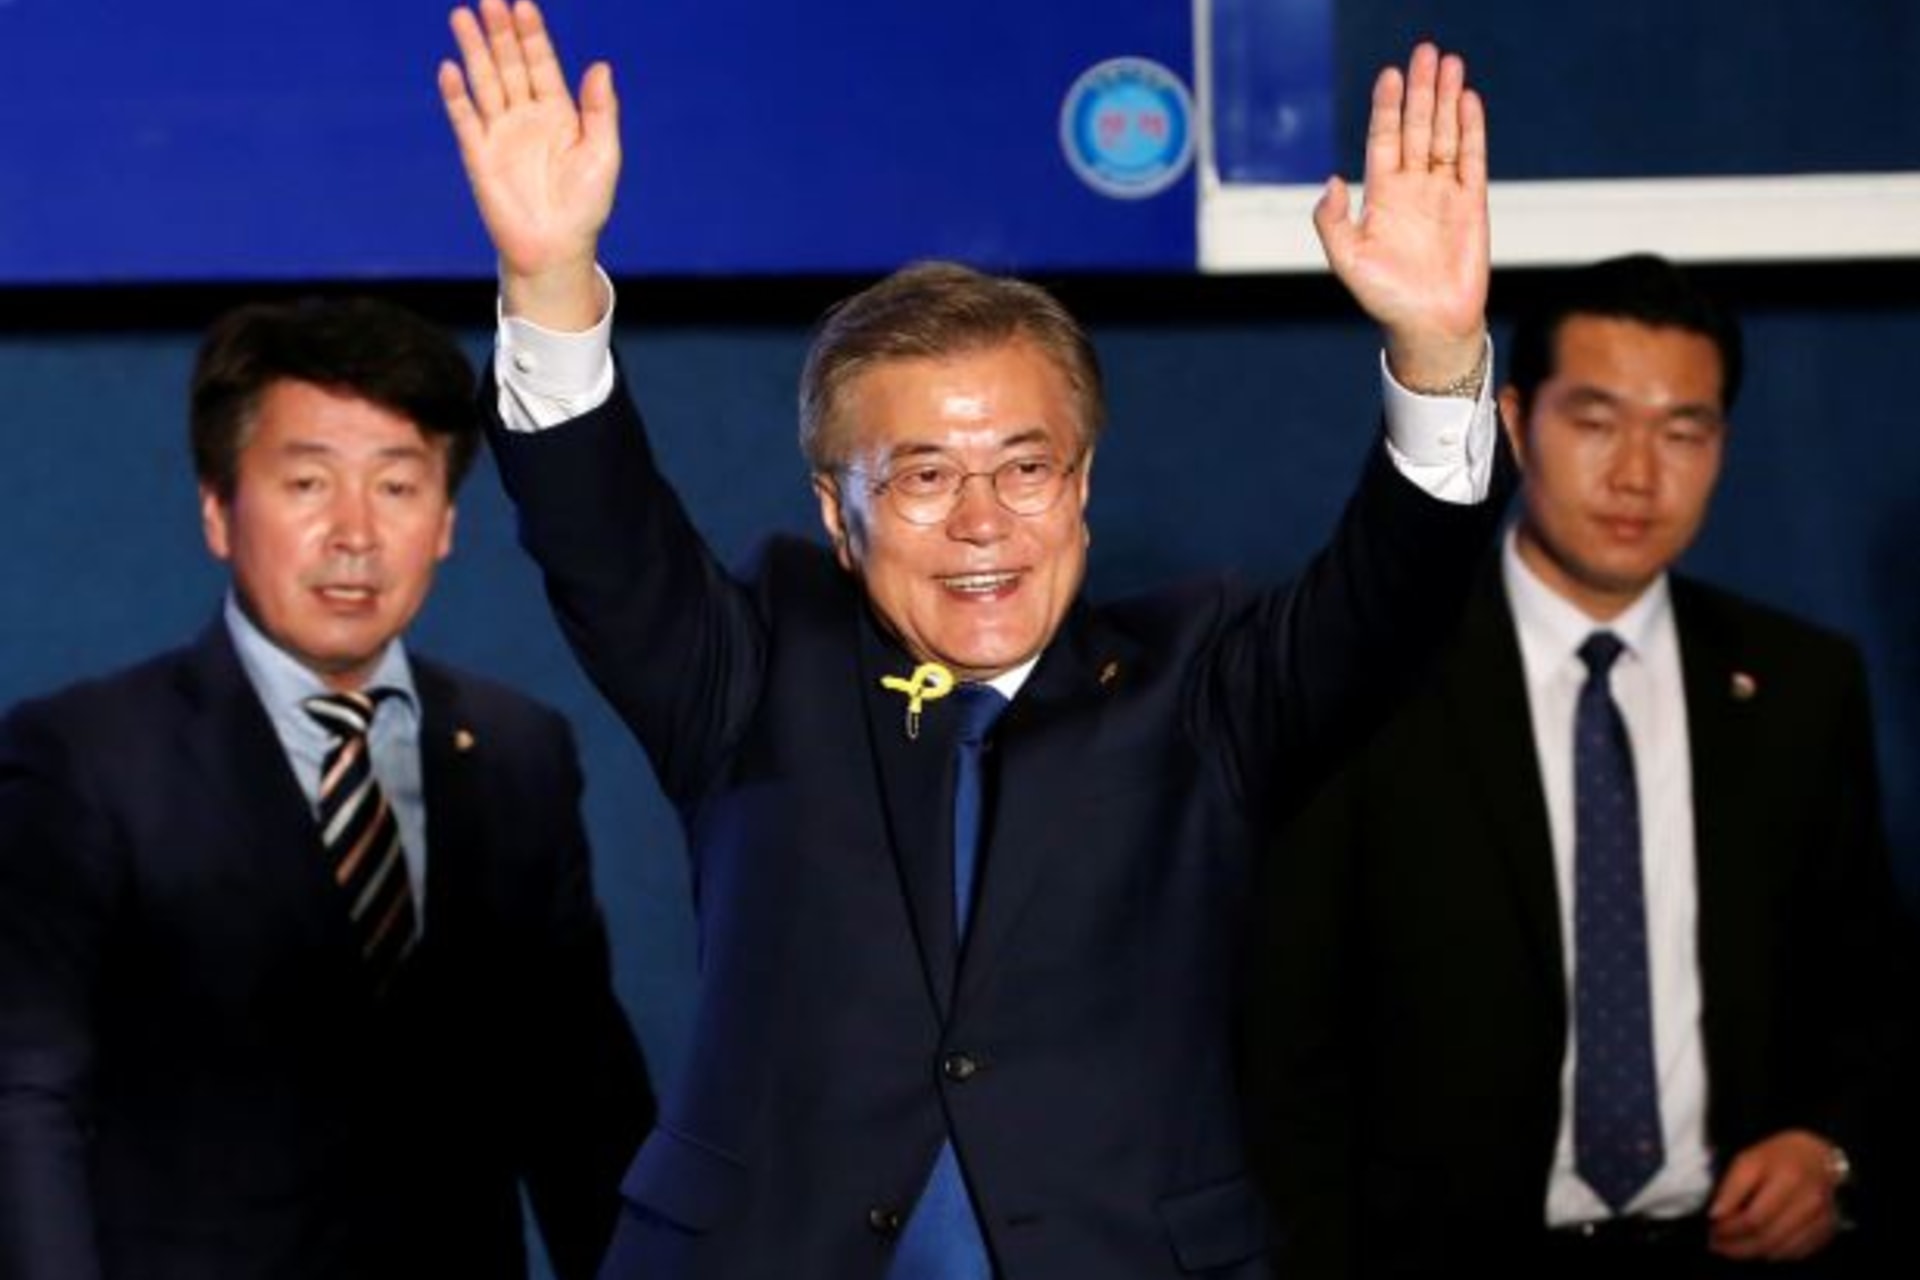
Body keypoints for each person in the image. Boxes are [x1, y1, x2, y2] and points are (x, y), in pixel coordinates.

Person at [438, 1, 1507, 1275]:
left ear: (1084, 485)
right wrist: (551, 281)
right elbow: (594, 531)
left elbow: (1401, 587)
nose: (984, 522)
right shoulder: (751, 665)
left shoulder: (1206, 683)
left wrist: (1438, 346)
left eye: (1026, 466)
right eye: (926, 476)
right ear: (839, 513)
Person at [1244, 254, 1912, 1278]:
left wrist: (1829, 1146)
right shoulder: (1377, 678)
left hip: (1734, 1246)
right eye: (1596, 421)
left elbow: (1866, 983)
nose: (1639, 474)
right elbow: (1286, 1039)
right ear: (1516, 423)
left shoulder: (1798, 683)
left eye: (1683, 430)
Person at [0, 296, 655, 1280]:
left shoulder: (520, 751)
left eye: (398, 486)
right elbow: (25, 1093)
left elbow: (577, 1094)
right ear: (219, 509)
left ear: (445, 523)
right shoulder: (85, 754)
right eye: (307, 481)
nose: (354, 532)